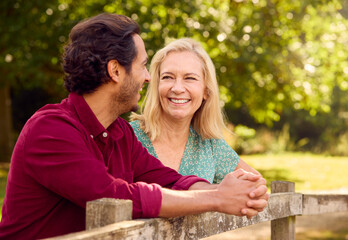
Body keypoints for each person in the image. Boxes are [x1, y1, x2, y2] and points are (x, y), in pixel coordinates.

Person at [0, 13, 268, 239]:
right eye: (142, 66)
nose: (148, 77)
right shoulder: (50, 129)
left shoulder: (120, 133)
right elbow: (114, 196)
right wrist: (217, 199)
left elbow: (169, 180)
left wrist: (229, 192)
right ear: (115, 71)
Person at [130, 38, 259, 183]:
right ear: (157, 85)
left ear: (206, 91)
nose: (177, 88)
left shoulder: (209, 144)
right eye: (168, 77)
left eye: (190, 78)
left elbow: (256, 183)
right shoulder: (128, 138)